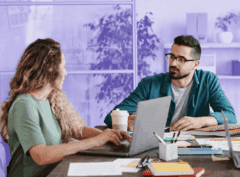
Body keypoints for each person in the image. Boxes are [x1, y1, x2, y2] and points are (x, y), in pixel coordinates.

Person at [0, 38, 131, 177]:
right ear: (50, 69)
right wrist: (96, 141)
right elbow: (41, 156)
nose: (65, 73)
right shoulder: (24, 105)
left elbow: (75, 130)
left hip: (55, 172)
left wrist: (109, 135)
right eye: (63, 66)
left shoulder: (49, 99)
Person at [104, 35, 237, 131]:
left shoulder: (207, 80)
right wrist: (129, 121)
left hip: (193, 145)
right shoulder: (150, 84)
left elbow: (230, 116)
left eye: (181, 59)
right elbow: (112, 116)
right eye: (172, 56)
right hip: (155, 144)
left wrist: (200, 121)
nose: (173, 63)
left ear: (195, 64)